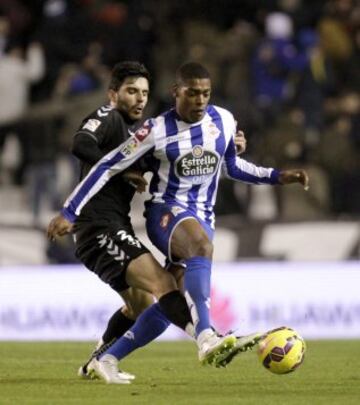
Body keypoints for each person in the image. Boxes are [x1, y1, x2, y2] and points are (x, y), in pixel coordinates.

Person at [48, 62, 309, 384]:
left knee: (165, 296)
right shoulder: (149, 129)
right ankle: (207, 336)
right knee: (199, 248)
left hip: (201, 215)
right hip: (164, 212)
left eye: (206, 94)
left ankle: (107, 357)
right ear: (176, 92)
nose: (200, 100)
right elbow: (103, 162)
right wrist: (70, 211)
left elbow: (231, 166)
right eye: (193, 93)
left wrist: (277, 176)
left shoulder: (223, 120)